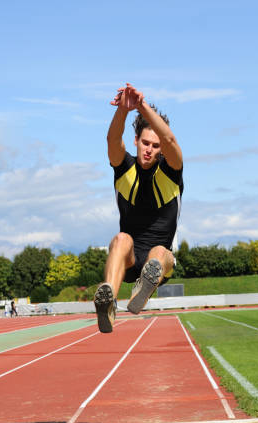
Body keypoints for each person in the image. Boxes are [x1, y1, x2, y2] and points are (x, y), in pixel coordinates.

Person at [94, 83, 183, 333]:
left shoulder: (171, 171)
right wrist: (124, 109)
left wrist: (141, 106)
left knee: (159, 253)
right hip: (130, 259)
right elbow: (112, 139)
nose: (149, 150)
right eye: (145, 143)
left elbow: (170, 138)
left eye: (155, 146)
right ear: (136, 140)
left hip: (159, 258)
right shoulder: (124, 167)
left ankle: (145, 283)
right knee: (121, 238)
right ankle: (108, 302)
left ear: (161, 149)